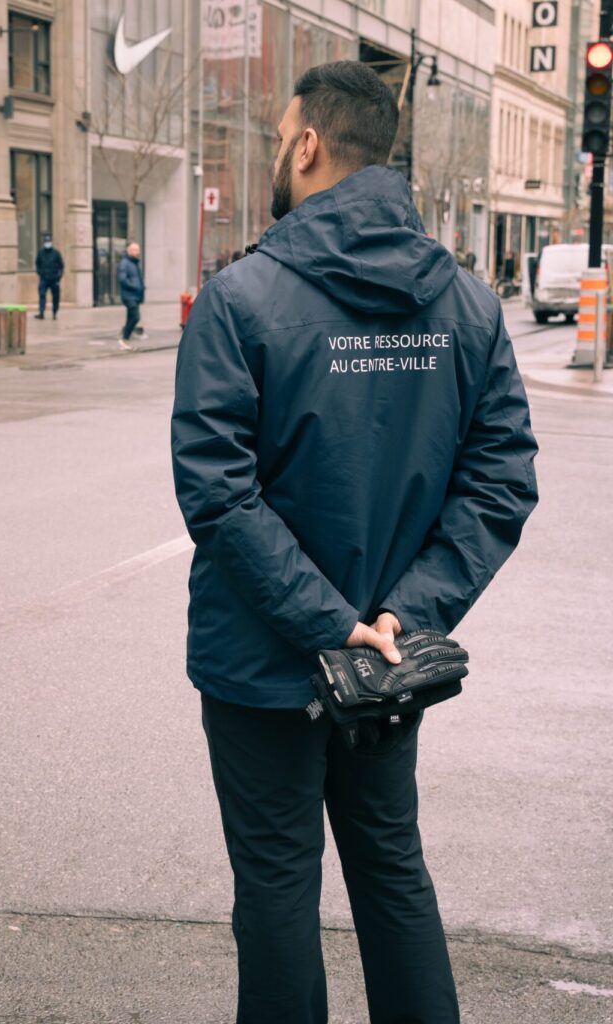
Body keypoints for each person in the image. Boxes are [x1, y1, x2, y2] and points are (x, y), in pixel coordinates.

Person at [171, 62, 538, 1024]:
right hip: (386, 662)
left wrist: (332, 627)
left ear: (306, 144)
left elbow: (217, 492)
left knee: (278, 889)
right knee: (389, 869)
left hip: (262, 664)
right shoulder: (466, 305)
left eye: (279, 136)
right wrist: (393, 623)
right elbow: (501, 482)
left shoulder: (240, 298)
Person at [117, 242, 146, 350]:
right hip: (129, 295)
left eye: (137, 250)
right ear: (128, 251)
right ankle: (124, 338)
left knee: (130, 317)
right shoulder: (125, 263)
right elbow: (122, 279)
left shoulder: (134, 263)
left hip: (135, 295)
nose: (137, 252)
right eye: (134, 250)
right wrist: (135, 286)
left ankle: (125, 341)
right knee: (135, 317)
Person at [34, 233, 63, 319]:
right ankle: (41, 312)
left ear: (51, 242)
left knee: (55, 297)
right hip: (44, 278)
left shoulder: (56, 253)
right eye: (46, 241)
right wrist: (40, 272)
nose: (47, 243)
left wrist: (58, 277)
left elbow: (61, 266)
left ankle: (54, 312)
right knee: (42, 295)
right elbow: (37, 264)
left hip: (54, 279)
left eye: (49, 241)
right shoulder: (41, 253)